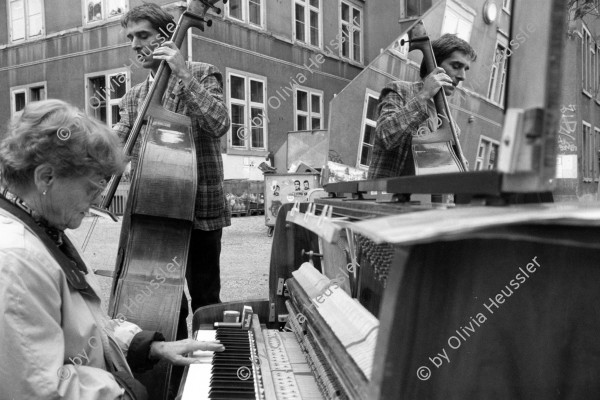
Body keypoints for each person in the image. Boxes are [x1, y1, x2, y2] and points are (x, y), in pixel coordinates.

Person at [0, 99, 224, 400]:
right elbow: (40, 391)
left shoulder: (39, 227)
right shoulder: (16, 259)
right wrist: (129, 391)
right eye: (91, 188)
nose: (95, 202)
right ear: (46, 177)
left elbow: (84, 328)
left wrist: (150, 346)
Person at [113, 4, 231, 338]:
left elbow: (219, 123)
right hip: (154, 216)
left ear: (167, 34)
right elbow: (115, 148)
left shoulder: (202, 73)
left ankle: (208, 370)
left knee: (206, 298)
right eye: (130, 37)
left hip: (201, 212)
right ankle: (172, 372)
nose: (136, 44)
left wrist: (184, 75)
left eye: (143, 35)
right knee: (166, 301)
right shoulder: (135, 97)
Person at [368, 34, 476, 179]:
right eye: (456, 66)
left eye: (465, 69)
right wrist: (423, 95)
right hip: (388, 197)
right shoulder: (399, 91)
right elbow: (385, 136)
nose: (462, 76)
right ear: (434, 65)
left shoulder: (451, 125)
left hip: (425, 200)